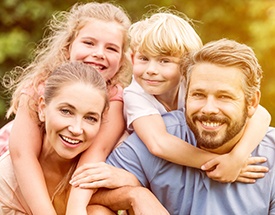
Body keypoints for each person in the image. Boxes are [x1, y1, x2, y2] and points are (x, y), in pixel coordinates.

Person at [86, 38, 275, 214]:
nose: (208, 109)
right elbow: (92, 198)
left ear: (251, 103)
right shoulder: (158, 135)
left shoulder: (270, 154)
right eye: (198, 95)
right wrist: (134, 195)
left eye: (224, 97)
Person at [0, 2, 132, 215]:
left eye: (111, 48)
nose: (99, 53)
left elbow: (96, 153)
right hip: (17, 176)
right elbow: (23, 155)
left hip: (67, 186)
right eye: (89, 43)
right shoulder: (39, 86)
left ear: (123, 58)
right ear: (69, 45)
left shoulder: (116, 98)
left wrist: (75, 210)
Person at [0, 62, 114, 214]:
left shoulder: (104, 164)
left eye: (90, 118)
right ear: (42, 109)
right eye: (66, 111)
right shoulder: (6, 181)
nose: (76, 129)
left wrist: (135, 193)